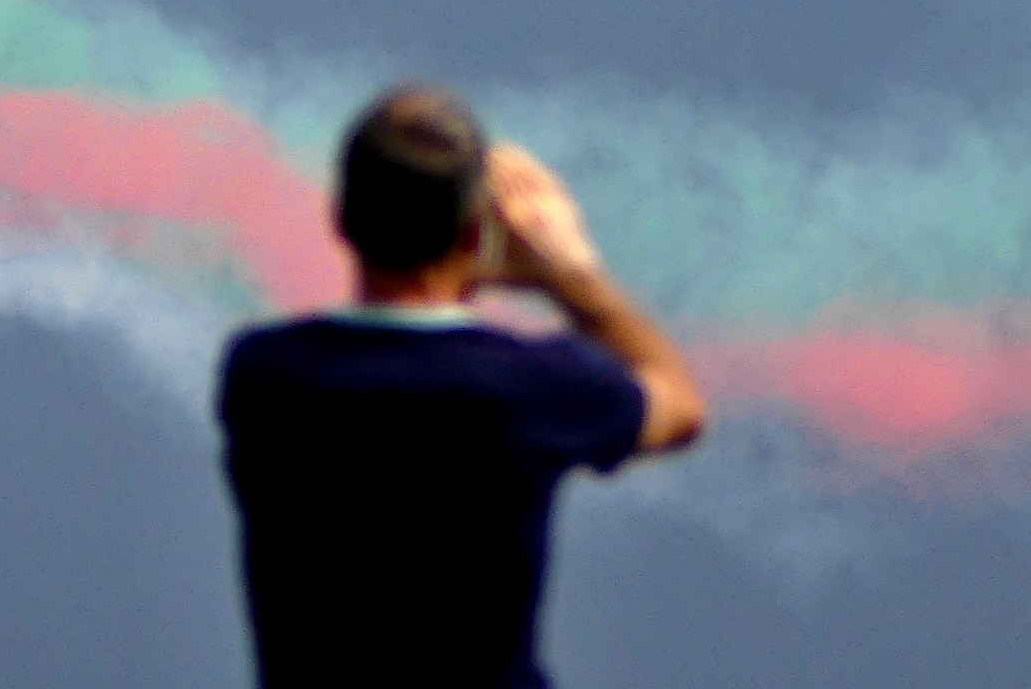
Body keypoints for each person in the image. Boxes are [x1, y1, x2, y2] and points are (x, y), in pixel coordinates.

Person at [217, 81, 708, 689]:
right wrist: (572, 276)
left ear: (339, 218)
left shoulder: (264, 375)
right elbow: (680, 406)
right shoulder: (531, 387)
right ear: (476, 235)